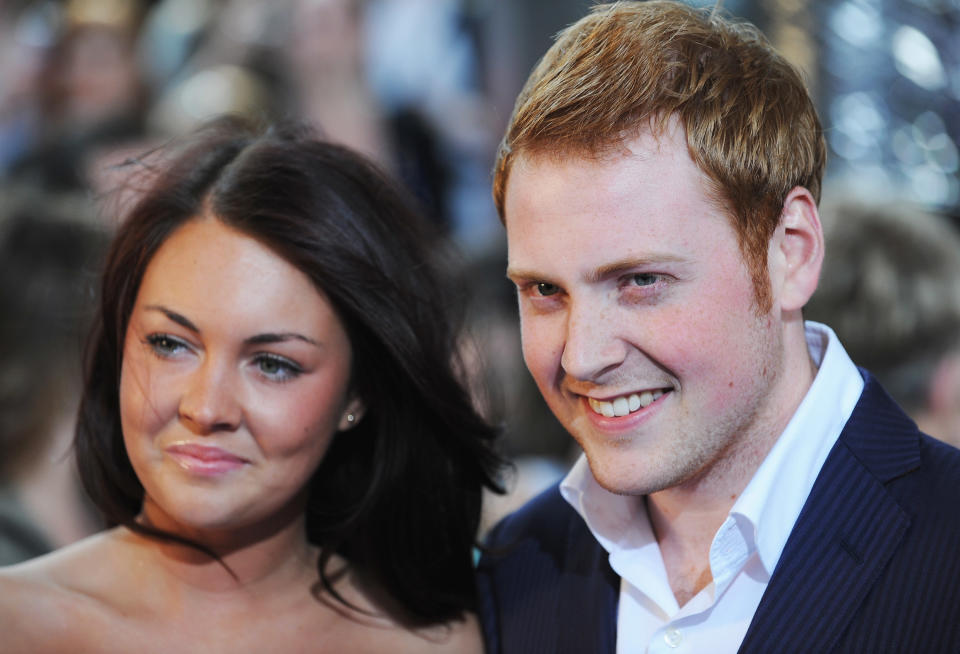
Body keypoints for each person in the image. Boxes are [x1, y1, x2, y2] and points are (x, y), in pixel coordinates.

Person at [476, 2, 960, 653]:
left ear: (791, 251)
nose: (583, 355)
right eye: (543, 290)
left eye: (640, 281)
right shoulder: (516, 570)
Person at [0, 117, 501, 653]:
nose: (206, 407)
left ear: (357, 395)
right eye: (171, 344)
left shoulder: (431, 645)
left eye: (272, 364)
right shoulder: (17, 622)